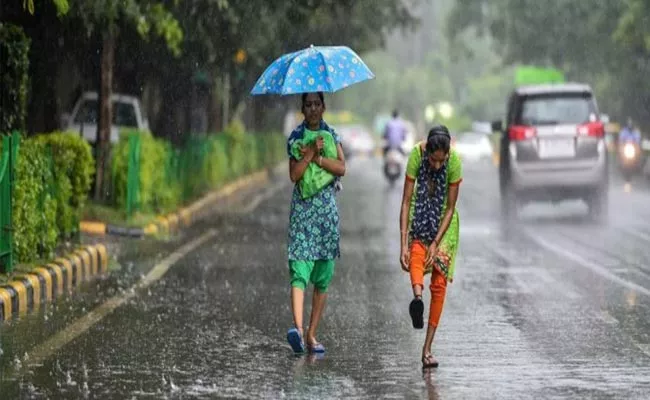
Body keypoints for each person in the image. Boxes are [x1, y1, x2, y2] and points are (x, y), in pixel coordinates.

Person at [285, 92, 346, 354]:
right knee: (299, 270)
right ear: (302, 108)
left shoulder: (332, 135)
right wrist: (309, 152)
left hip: (325, 216)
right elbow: (294, 175)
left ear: (323, 107)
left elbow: (342, 168)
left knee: (322, 276)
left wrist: (321, 157)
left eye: (316, 104)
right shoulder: (296, 139)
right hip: (302, 213)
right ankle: (298, 331)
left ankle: (311, 334)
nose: (312, 109)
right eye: (308, 105)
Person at [399, 125, 462, 369]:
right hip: (420, 212)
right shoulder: (416, 155)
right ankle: (417, 299)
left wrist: (436, 242)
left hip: (445, 226)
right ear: (427, 152)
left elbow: (450, 208)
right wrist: (403, 241)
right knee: (415, 252)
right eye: (432, 161)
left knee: (439, 283)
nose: (436, 166)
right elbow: (405, 201)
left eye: (440, 161)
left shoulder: (455, 161)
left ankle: (427, 350)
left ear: (447, 154)